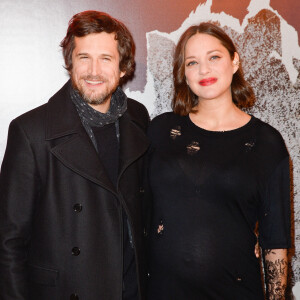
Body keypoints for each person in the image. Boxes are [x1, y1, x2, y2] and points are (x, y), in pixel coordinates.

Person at [0, 11, 150, 300]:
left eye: (105, 58)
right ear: (70, 63)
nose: (94, 71)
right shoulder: (30, 131)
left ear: (122, 67)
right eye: (84, 58)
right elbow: (9, 243)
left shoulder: (139, 118)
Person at [146, 22, 291, 299]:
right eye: (192, 62)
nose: (204, 70)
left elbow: (275, 243)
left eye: (214, 57)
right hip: (163, 292)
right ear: (183, 73)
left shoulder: (267, 142)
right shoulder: (159, 131)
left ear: (234, 61)